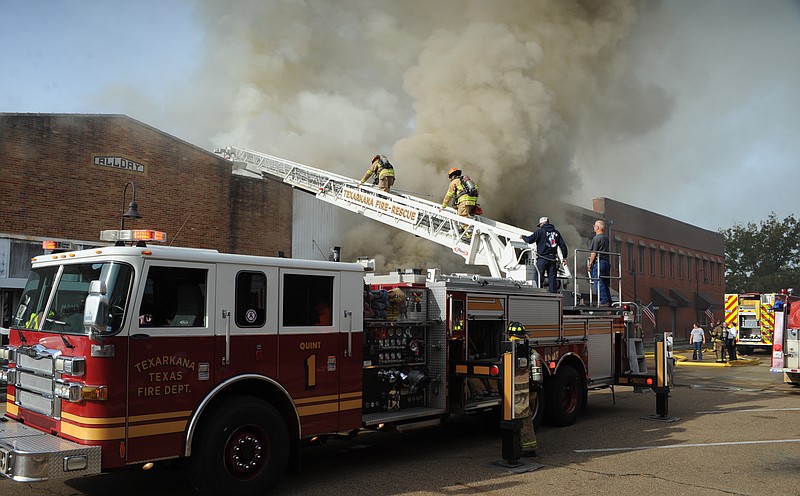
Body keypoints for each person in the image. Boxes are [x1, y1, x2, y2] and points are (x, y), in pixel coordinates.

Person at [507, 321, 538, 456]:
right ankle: (525, 447)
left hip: (518, 391)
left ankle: (527, 449)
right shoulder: (530, 350)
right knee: (525, 419)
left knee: (523, 420)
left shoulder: (511, 349)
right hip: (528, 391)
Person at [520, 216, 568, 293]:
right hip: (552, 259)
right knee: (552, 279)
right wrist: (564, 257)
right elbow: (563, 245)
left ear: (541, 224)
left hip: (542, 259)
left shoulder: (540, 232)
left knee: (539, 277)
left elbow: (529, 240)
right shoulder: (556, 233)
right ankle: (553, 295)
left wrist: (523, 237)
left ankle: (538, 293)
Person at [587, 219, 612, 306]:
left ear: (597, 227)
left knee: (598, 281)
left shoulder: (596, 238)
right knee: (605, 283)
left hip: (599, 263)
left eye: (594, 226)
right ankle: (609, 300)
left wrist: (590, 263)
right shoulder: (606, 238)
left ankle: (603, 301)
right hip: (606, 262)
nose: (594, 227)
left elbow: (594, 252)